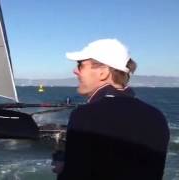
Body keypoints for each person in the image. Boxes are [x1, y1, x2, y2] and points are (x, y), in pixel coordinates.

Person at [54, 39, 169, 179]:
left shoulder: (85, 115)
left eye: (80, 65)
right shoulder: (156, 116)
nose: (75, 71)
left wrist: (64, 169)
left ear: (103, 72)